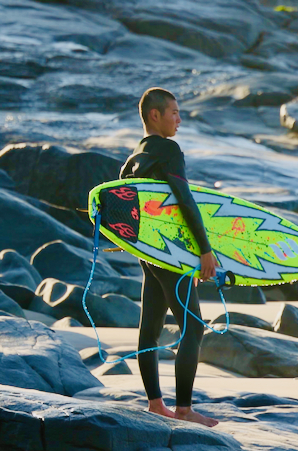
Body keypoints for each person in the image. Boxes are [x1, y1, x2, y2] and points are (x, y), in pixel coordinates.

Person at [119, 87, 219, 428]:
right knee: (193, 327)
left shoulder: (137, 155)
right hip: (171, 254)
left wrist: (128, 239)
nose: (179, 119)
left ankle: (155, 404)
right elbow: (185, 200)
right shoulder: (168, 150)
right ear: (154, 115)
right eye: (174, 113)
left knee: (149, 330)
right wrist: (204, 249)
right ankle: (185, 409)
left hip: (149, 253)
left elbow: (125, 199)